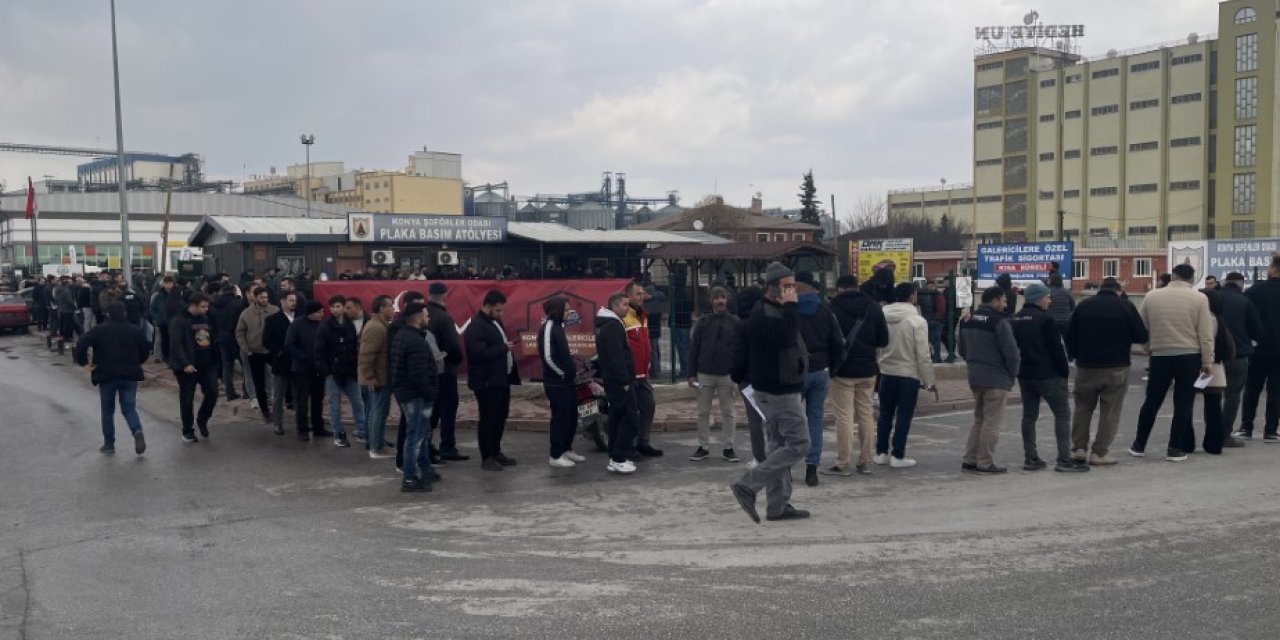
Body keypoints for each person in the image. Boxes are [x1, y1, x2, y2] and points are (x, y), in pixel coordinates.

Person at [729, 262, 811, 523]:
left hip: (778, 388)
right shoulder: (766, 314)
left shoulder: (774, 310)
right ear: (772, 288)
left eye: (793, 286)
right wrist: (790, 307)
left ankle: (777, 506)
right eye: (787, 287)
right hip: (777, 392)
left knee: (778, 445)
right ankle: (747, 485)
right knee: (799, 443)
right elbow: (786, 338)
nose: (792, 292)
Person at [1130, 263, 1214, 461]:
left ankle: (1139, 444)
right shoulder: (1200, 298)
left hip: (1160, 356)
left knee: (1152, 401)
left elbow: (1142, 327)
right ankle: (1175, 448)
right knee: (1183, 403)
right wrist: (1207, 361)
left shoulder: (1152, 296)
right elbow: (1205, 334)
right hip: (1189, 356)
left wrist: (1148, 348)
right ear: (1192, 279)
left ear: (1173, 276)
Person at [1066, 277, 1148, 465]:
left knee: (1082, 407)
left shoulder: (1084, 306)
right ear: (1118, 291)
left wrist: (1076, 355)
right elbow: (1141, 335)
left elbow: (1070, 335)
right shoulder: (1125, 307)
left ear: (1100, 289)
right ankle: (1099, 453)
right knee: (1110, 411)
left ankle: (1078, 448)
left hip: (1086, 366)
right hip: (1116, 366)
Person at [1009, 283, 1081, 473]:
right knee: (1062, 415)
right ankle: (1064, 459)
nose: (1050, 300)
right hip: (1049, 374)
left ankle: (1030, 457)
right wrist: (1064, 372)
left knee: (1029, 416)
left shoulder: (1015, 319)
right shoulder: (1046, 320)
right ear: (1038, 298)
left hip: (1025, 375)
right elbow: (1056, 349)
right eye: (1048, 297)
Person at [823, 275, 889, 477]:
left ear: (838, 288)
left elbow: (826, 339)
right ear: (856, 287)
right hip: (868, 369)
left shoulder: (831, 308)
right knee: (866, 415)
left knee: (844, 416)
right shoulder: (873, 307)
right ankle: (865, 461)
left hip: (842, 370)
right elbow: (884, 340)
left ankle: (842, 463)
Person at [74, 302, 150, 455]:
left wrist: (84, 362)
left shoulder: (100, 330)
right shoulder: (135, 330)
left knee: (107, 410)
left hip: (106, 374)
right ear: (125, 313)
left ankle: (109, 444)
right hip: (130, 374)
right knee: (129, 408)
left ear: (108, 314)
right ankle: (137, 430)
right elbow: (145, 350)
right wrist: (137, 362)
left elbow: (82, 342)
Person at [959, 286, 1020, 474]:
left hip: (975, 376)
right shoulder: (999, 321)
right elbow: (1012, 353)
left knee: (979, 419)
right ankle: (984, 462)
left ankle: (970, 459)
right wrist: (1012, 374)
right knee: (991, 422)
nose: (1005, 304)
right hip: (996, 378)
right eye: (1003, 300)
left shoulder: (967, 320)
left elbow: (962, 349)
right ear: (994, 300)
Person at [875, 283, 937, 469]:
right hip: (908, 373)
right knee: (904, 415)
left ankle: (880, 453)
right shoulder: (917, 321)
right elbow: (923, 354)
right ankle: (898, 455)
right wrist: (929, 381)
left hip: (886, 372)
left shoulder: (882, 315)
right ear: (912, 296)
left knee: (884, 414)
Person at [794, 272, 845, 487]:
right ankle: (811, 469)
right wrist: (831, 368)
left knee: (791, 422)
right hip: (820, 371)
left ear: (798, 287)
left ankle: (785, 467)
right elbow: (838, 343)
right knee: (815, 420)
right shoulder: (825, 311)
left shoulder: (788, 310)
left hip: (794, 373)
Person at [464, 289, 520, 470]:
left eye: (502, 310)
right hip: (486, 381)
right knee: (488, 418)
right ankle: (486, 456)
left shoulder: (495, 323)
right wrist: (502, 349)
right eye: (497, 310)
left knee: (500, 416)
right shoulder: (477, 326)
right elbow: (477, 353)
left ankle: (496, 451)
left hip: (500, 379)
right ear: (487, 306)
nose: (500, 313)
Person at [390, 302, 439, 493]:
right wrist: (430, 392)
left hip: (407, 393)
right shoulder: (415, 341)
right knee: (415, 437)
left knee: (421, 434)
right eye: (426, 315)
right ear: (418, 318)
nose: (428, 319)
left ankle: (426, 470)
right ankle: (409, 478)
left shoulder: (402, 335)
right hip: (416, 396)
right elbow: (418, 374)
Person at [687, 287, 740, 463]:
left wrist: (740, 371)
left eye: (723, 297)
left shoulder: (735, 322)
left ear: (727, 300)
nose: (720, 301)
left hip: (728, 375)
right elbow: (694, 349)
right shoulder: (702, 323)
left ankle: (729, 447)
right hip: (704, 375)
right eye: (717, 297)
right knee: (702, 412)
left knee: (729, 412)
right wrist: (691, 374)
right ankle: (703, 446)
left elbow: (741, 349)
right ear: (711, 301)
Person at [539, 296, 586, 468]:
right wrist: (562, 373)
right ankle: (556, 454)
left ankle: (566, 448)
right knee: (560, 418)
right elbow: (548, 357)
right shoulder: (548, 327)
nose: (570, 312)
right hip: (556, 383)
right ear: (557, 310)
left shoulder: (559, 326)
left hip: (567, 381)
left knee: (571, 416)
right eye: (566, 309)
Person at [596, 292, 640, 474]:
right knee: (628, 418)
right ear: (614, 306)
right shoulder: (612, 326)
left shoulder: (609, 324)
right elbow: (616, 357)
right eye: (624, 304)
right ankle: (619, 457)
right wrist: (624, 381)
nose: (627, 308)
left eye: (628, 304)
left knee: (617, 418)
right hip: (619, 382)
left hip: (614, 380)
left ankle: (615, 456)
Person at [168, 292, 220, 443]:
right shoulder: (179, 320)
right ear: (193, 306)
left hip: (207, 364)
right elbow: (176, 344)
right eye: (203, 307)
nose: (206, 309)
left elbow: (212, 338)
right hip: (187, 367)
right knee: (187, 398)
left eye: (207, 306)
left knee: (212, 392)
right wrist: (185, 363)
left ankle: (202, 419)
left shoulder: (206, 318)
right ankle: (188, 430)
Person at [316, 295, 366, 447]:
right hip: (333, 372)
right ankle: (339, 434)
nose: (335, 309)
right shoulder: (325, 326)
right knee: (334, 405)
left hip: (350, 371)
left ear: (344, 307)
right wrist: (327, 370)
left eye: (338, 306)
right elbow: (319, 351)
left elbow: (353, 347)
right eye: (333, 307)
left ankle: (363, 432)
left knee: (358, 403)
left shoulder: (349, 324)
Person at [1240, 253, 1280, 442]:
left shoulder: (1254, 291)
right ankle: (1271, 430)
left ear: (1272, 269)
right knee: (1276, 391)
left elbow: (1244, 318)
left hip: (1257, 348)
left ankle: (1246, 427)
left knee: (1252, 388)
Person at [426, 283, 468, 462]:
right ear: (445, 297)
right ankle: (447, 447)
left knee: (432, 410)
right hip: (445, 370)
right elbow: (452, 346)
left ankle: (426, 445)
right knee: (448, 409)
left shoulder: (424, 314)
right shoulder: (443, 317)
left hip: (427, 370)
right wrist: (455, 360)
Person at [1220, 272, 1262, 445]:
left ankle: (1212, 431)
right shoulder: (1244, 301)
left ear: (1225, 282)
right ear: (1241, 284)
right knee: (1232, 395)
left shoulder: (1211, 298)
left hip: (1213, 356)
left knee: (1212, 395)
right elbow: (1257, 331)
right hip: (1238, 355)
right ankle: (1224, 434)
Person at [623, 281, 663, 457]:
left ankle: (643, 442)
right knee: (630, 411)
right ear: (629, 296)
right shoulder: (624, 317)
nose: (641, 297)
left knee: (648, 405)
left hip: (642, 373)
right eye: (638, 294)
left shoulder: (642, 315)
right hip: (629, 374)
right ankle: (628, 445)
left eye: (642, 294)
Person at [730, 286, 768, 466]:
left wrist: (736, 377)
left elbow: (738, 355)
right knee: (773, 420)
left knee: (755, 421)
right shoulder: (769, 320)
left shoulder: (742, 325)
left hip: (749, 380)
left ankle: (759, 457)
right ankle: (777, 457)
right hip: (770, 378)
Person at [285, 301, 329, 441]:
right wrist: (303, 357)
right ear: (312, 313)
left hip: (319, 368)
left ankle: (318, 427)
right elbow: (289, 345)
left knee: (318, 399)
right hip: (301, 369)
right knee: (302, 400)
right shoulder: (297, 325)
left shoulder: (323, 325)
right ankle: (302, 428)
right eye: (319, 312)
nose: (322, 314)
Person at [358, 295, 396, 459]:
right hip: (377, 378)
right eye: (391, 306)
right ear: (381, 308)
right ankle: (376, 447)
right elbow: (366, 355)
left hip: (382, 376)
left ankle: (378, 442)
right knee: (377, 412)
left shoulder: (381, 325)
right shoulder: (375, 327)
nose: (393, 309)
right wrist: (370, 377)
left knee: (379, 411)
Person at [236, 286, 278, 423]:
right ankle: (264, 409)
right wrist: (245, 349)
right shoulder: (246, 313)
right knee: (258, 381)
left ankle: (273, 400)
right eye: (261, 297)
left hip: (272, 351)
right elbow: (240, 333)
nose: (264, 300)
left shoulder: (275, 311)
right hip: (254, 352)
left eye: (266, 297)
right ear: (256, 297)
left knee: (274, 376)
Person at [1200, 288, 1234, 455]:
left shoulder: (1204, 319)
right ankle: (1214, 444)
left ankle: (1185, 442)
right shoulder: (1219, 320)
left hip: (1201, 367)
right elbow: (1230, 348)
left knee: (1185, 404)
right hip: (1216, 368)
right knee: (1214, 407)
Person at [263, 291, 297, 436]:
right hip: (281, 362)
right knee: (278, 395)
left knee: (299, 394)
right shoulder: (273, 319)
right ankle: (278, 423)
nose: (293, 303)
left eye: (295, 300)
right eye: (290, 300)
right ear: (282, 302)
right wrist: (278, 352)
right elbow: (266, 341)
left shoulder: (300, 318)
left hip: (298, 362)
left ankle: (301, 423)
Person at [211, 284, 247, 401]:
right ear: (233, 292)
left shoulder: (214, 305)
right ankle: (246, 390)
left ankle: (229, 393)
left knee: (227, 366)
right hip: (236, 338)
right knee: (245, 366)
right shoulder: (238, 304)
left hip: (221, 338)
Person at [917, 281, 945, 363]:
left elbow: (941, 309)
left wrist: (935, 319)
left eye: (932, 286)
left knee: (934, 340)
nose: (930, 287)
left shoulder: (936, 295)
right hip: (931, 321)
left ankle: (936, 357)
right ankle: (934, 357)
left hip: (934, 321)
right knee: (931, 340)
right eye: (928, 286)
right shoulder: (934, 295)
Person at [645, 284, 667, 378]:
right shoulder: (657, 299)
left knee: (653, 350)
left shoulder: (652, 302)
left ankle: (654, 371)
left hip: (651, 329)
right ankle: (656, 369)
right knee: (655, 349)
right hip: (655, 329)